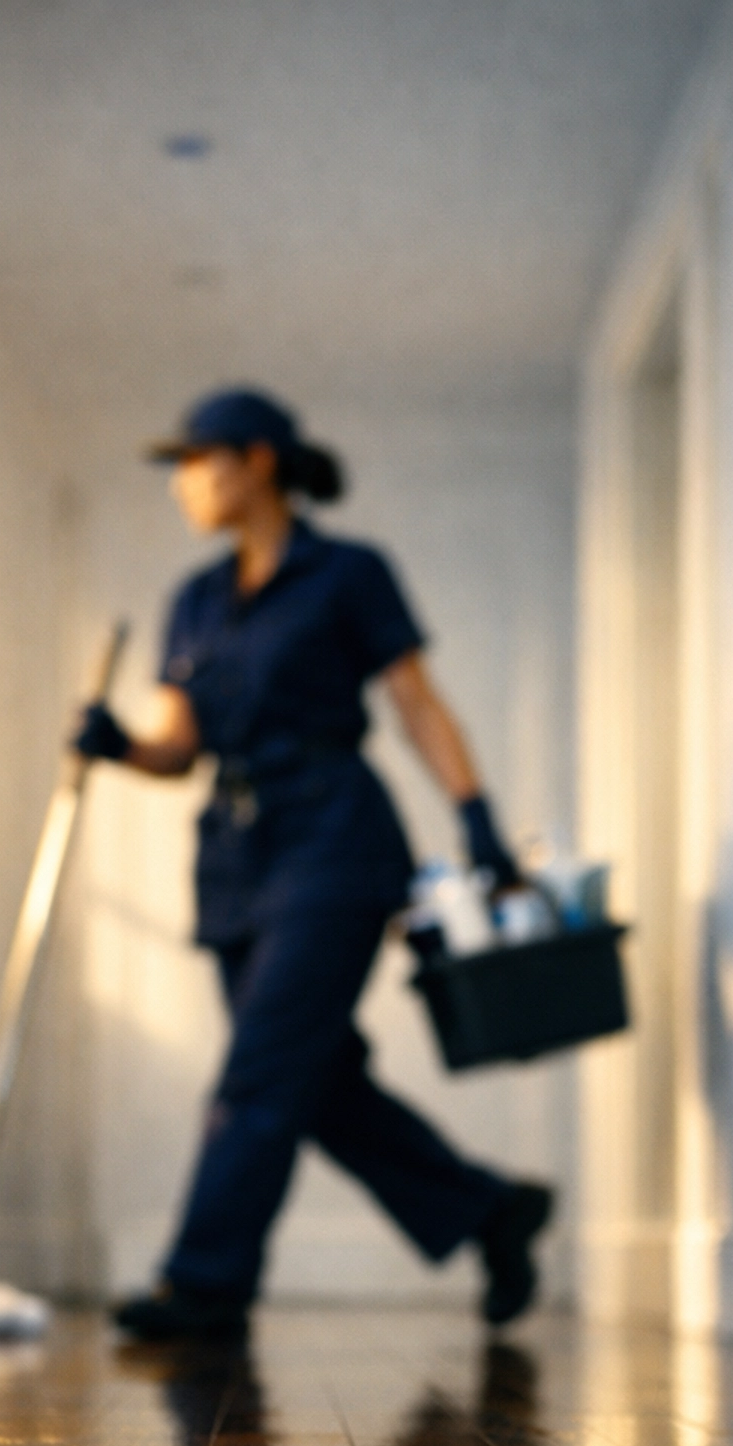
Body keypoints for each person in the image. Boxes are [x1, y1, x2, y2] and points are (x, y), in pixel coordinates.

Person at [73, 385, 554, 1343]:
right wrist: (117, 743)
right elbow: (180, 747)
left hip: (335, 839)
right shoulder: (196, 602)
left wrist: (478, 816)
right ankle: (491, 1210)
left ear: (258, 460)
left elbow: (414, 700)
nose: (181, 484)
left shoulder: (348, 574)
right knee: (314, 1082)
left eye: (196, 461)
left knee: (260, 1073)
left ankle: (204, 1285)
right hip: (235, 857)